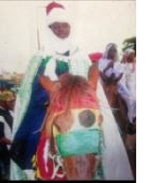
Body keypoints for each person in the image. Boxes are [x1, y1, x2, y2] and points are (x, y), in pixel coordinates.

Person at [10, 1, 133, 180]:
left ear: (70, 27)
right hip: (46, 104)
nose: (61, 30)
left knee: (99, 132)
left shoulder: (81, 56)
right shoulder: (39, 58)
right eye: (56, 26)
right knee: (33, 132)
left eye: (65, 26)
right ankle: (33, 168)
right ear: (49, 29)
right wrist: (49, 92)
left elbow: (91, 87)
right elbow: (28, 92)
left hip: (80, 108)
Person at [0, 90, 15, 180]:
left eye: (13, 101)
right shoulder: (1, 116)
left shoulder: (9, 112)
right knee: (8, 173)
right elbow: (1, 138)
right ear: (2, 102)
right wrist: (14, 143)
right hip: (6, 152)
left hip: (12, 150)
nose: (13, 103)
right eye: (10, 101)